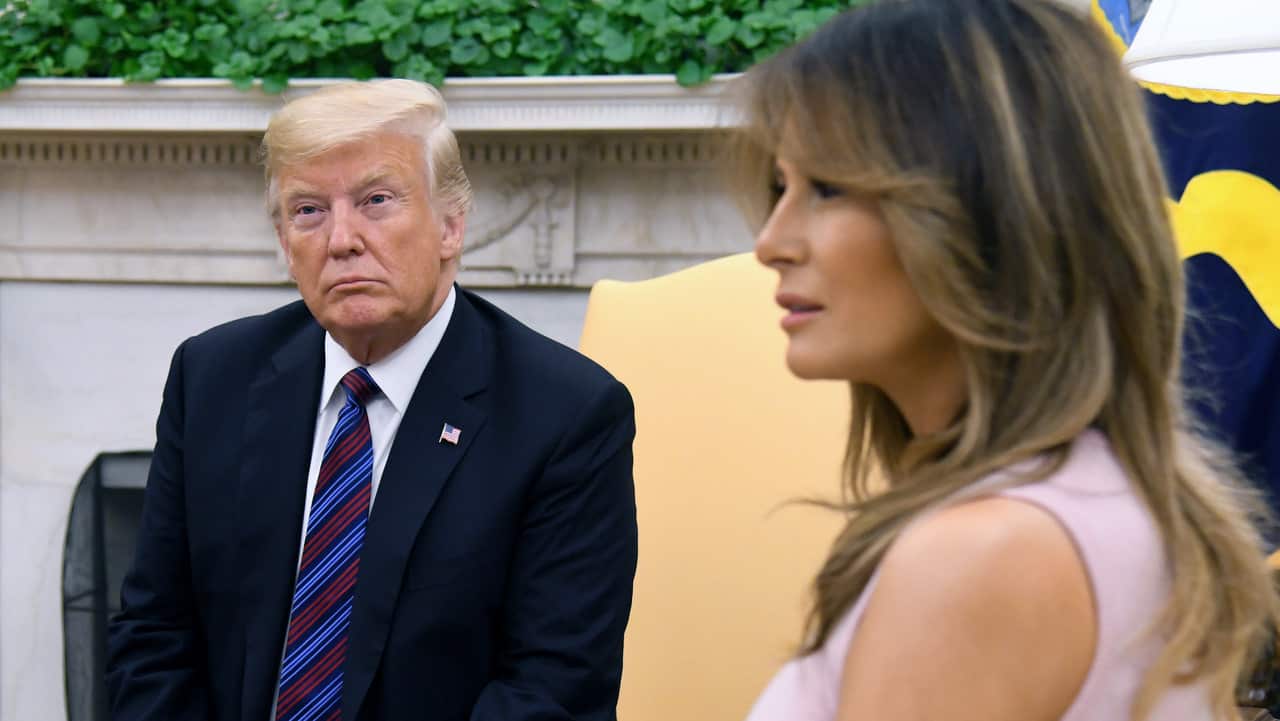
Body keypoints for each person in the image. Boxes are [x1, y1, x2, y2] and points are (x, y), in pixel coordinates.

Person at [732, 1, 1280, 719]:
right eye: (782, 188)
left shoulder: (983, 556)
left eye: (827, 189)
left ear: (988, 216)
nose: (772, 242)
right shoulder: (1100, 509)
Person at [105, 79, 638, 721]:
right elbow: (153, 638)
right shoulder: (213, 376)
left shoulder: (566, 414)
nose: (341, 240)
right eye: (308, 211)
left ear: (451, 225)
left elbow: (551, 691)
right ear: (284, 241)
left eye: (376, 200)